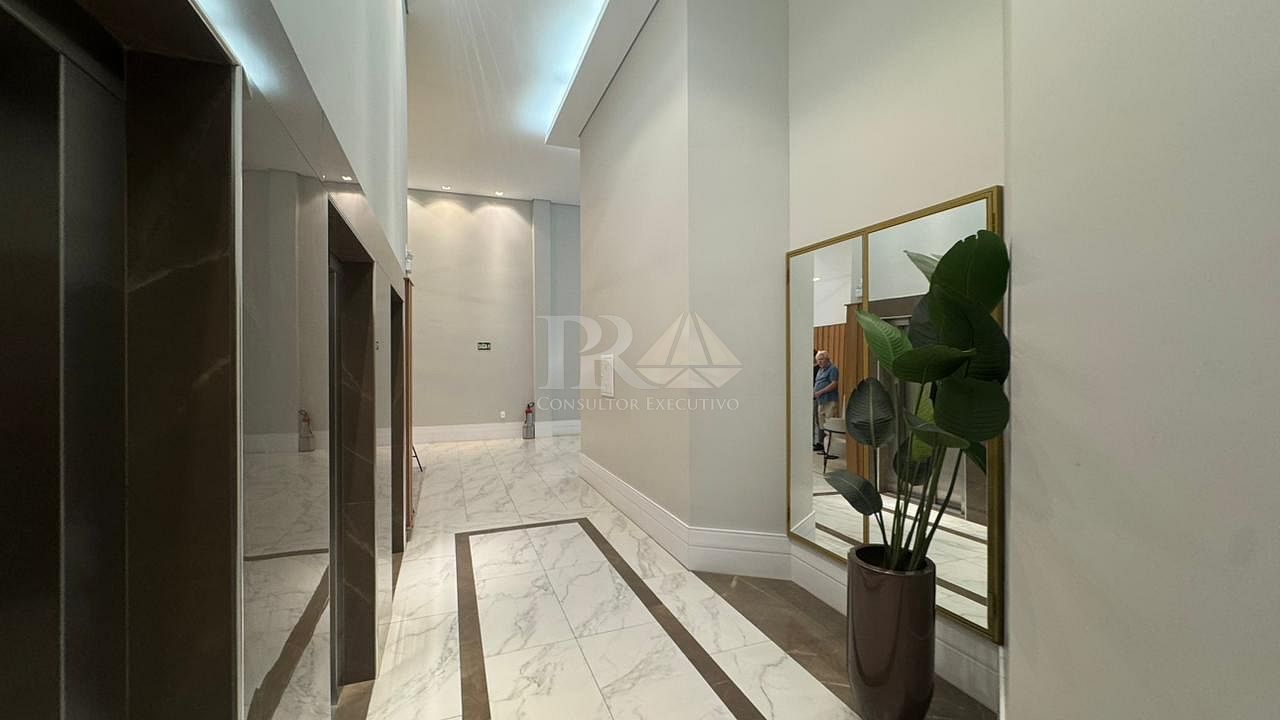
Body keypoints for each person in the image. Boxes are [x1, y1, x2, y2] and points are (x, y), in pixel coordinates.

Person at [813, 350, 839, 454]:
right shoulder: (820, 370)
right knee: (822, 425)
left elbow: (834, 384)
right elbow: (817, 383)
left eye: (821, 359)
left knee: (829, 426)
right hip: (820, 401)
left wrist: (820, 392)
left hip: (829, 401)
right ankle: (825, 448)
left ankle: (831, 450)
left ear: (827, 359)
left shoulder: (833, 369)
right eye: (818, 360)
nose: (819, 362)